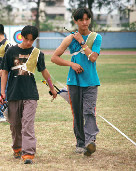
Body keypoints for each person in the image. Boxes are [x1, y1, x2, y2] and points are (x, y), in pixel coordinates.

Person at [0, 25, 57, 164]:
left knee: (28, 124)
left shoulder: (37, 53)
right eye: (26, 39)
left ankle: (28, 153)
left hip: (30, 94)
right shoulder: (10, 51)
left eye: (32, 40)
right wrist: (2, 91)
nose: (28, 43)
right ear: (21, 36)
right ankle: (17, 148)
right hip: (13, 93)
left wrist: (52, 88)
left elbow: (44, 72)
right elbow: (5, 71)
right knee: (15, 125)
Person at [51, 7, 102, 156]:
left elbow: (93, 58)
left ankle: (90, 142)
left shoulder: (96, 37)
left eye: (87, 19)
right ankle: (80, 143)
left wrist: (82, 43)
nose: (85, 22)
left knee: (89, 111)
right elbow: (54, 57)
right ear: (76, 21)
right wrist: (71, 64)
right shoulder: (69, 38)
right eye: (81, 20)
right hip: (73, 82)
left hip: (91, 81)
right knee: (77, 114)